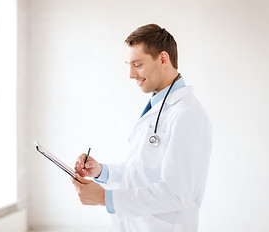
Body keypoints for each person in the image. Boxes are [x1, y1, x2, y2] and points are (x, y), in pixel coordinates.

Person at [71, 24, 212, 232]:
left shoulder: (187, 114)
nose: (130, 74)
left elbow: (175, 193)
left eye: (137, 64)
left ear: (163, 59)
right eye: (129, 65)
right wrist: (102, 170)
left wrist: (105, 198)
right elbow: (140, 171)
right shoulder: (157, 107)